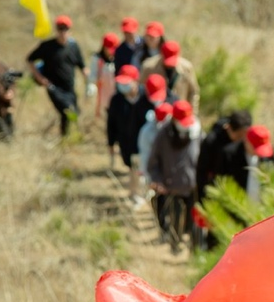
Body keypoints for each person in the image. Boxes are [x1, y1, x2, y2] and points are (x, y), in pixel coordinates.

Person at [147, 100, 201, 252]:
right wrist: (158, 181)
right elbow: (153, 163)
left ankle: (191, 246)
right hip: (172, 188)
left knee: (192, 222)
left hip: (192, 187)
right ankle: (175, 245)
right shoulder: (163, 135)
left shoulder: (197, 133)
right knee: (175, 220)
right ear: (174, 120)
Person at [26, 15, 87, 136]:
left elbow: (82, 65)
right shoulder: (47, 46)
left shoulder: (73, 47)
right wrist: (39, 78)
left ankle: (66, 137)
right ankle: (66, 137)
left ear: (70, 30)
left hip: (69, 87)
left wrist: (88, 79)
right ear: (56, 29)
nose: (63, 32)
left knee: (74, 113)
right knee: (67, 111)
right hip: (53, 87)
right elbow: (30, 59)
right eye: (60, 29)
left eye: (65, 29)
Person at [107, 65, 154, 199]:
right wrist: (111, 143)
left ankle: (144, 193)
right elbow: (111, 123)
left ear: (136, 81)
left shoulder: (147, 98)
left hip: (146, 144)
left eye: (126, 83)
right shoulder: (116, 100)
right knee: (133, 169)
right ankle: (135, 195)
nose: (123, 86)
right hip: (127, 143)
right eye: (121, 83)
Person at [195, 109, 252, 201]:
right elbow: (202, 172)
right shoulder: (211, 141)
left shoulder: (246, 144)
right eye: (239, 136)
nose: (242, 139)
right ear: (228, 128)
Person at [140, 40, 199, 109]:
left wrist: (192, 113)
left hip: (180, 111)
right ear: (161, 54)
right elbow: (141, 90)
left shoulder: (186, 68)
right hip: (155, 112)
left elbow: (193, 91)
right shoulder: (149, 67)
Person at [86, 32, 118, 117]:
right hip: (102, 95)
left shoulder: (118, 59)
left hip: (115, 94)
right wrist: (91, 86)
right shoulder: (97, 59)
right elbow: (92, 76)